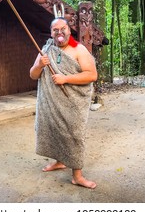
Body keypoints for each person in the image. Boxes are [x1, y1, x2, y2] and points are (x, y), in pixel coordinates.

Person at [29, 17, 98, 189]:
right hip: (51, 102)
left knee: (74, 136)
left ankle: (77, 176)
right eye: (55, 30)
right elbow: (32, 75)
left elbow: (91, 75)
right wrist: (39, 65)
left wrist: (65, 78)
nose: (60, 33)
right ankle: (59, 161)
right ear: (51, 32)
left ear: (69, 30)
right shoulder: (46, 49)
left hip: (72, 103)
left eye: (63, 29)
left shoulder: (78, 49)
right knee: (53, 131)